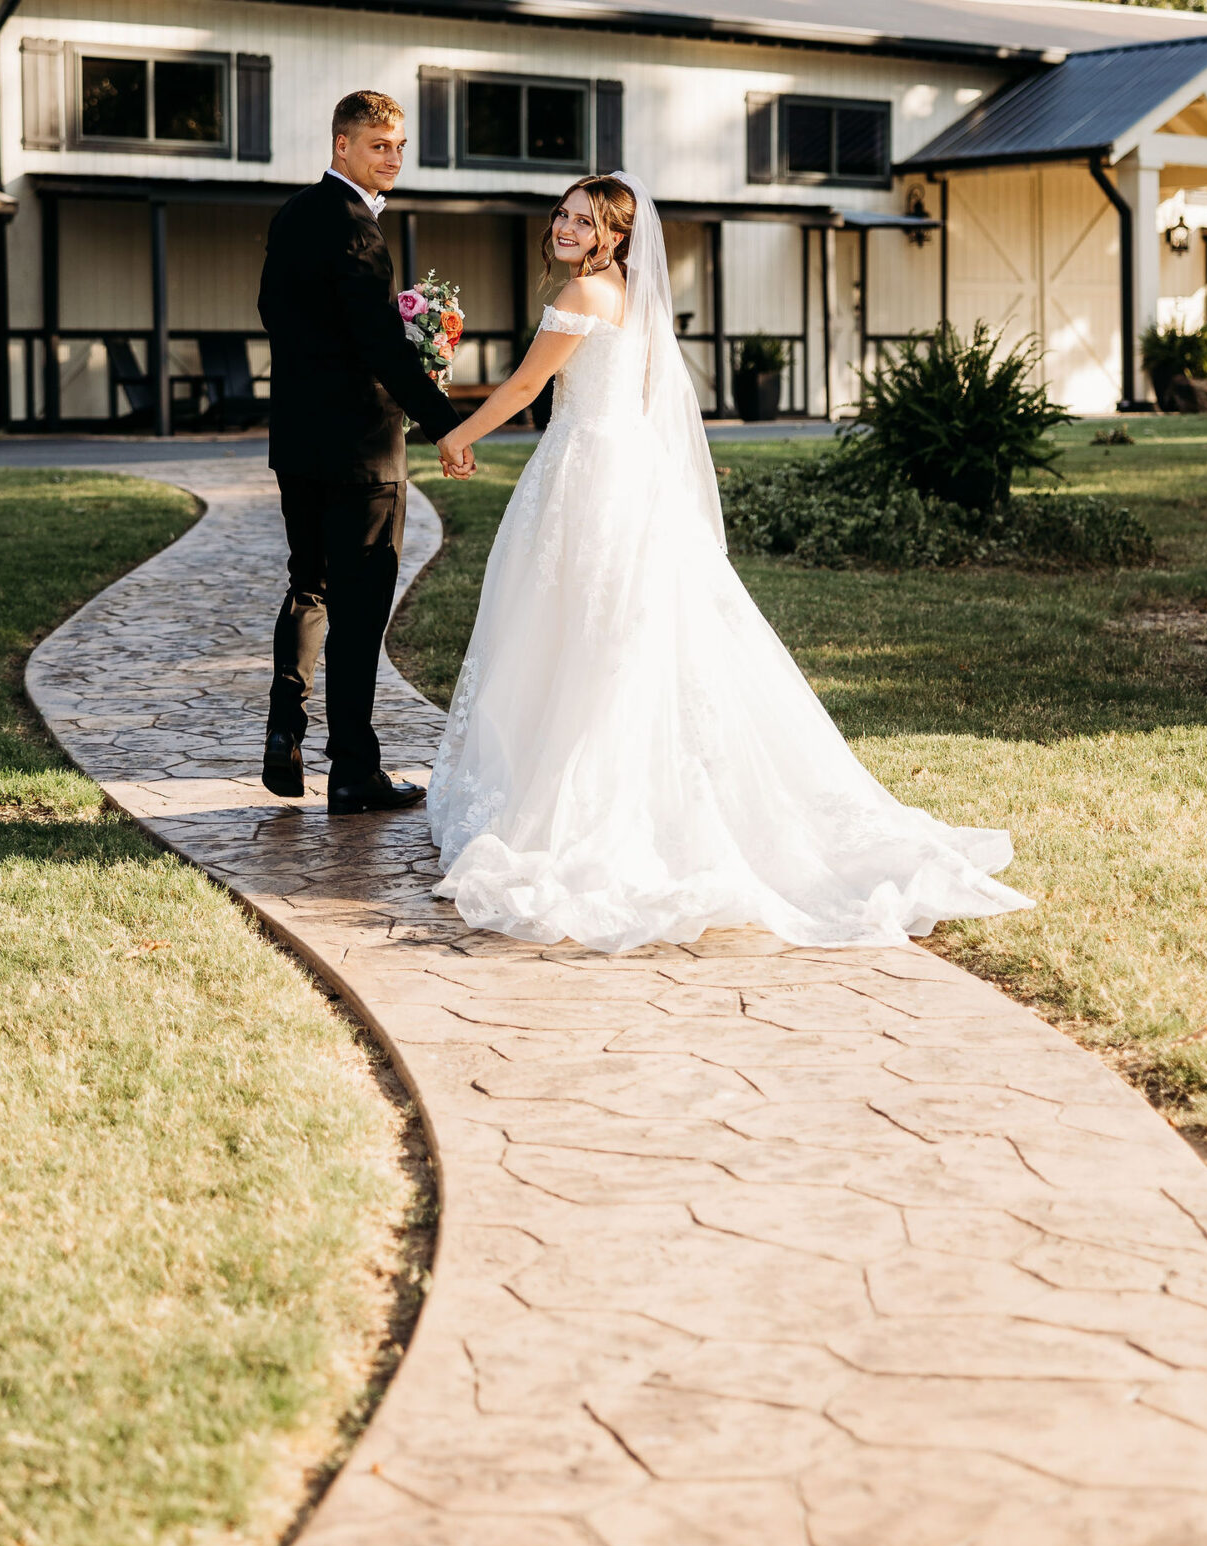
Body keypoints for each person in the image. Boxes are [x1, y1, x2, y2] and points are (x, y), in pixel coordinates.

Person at [424, 171, 1031, 953]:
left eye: (585, 221)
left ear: (615, 236)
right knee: (624, 630)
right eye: (563, 216)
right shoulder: (629, 299)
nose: (567, 228)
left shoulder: (578, 301)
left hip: (585, 474)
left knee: (579, 628)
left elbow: (527, 384)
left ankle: (575, 795)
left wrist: (458, 434)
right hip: (628, 472)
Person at [256, 89, 465, 811]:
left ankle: (285, 727)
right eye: (380, 145)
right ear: (341, 145)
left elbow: (275, 315)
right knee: (361, 607)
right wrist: (445, 421)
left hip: (297, 441)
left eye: (400, 146)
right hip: (362, 451)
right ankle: (352, 771)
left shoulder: (292, 216)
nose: (393, 158)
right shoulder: (356, 230)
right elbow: (377, 344)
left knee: (307, 585)